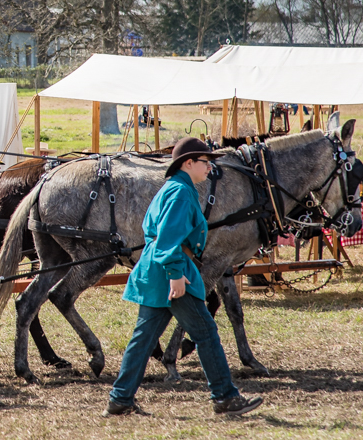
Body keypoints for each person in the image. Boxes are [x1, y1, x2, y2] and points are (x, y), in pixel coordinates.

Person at [105, 137, 263, 418]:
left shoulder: (176, 188)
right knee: (206, 332)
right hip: (171, 272)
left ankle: (120, 400)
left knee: (143, 339)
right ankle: (225, 397)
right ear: (188, 163)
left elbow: (154, 232)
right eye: (206, 162)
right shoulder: (180, 192)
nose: (210, 168)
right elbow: (167, 240)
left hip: (159, 271)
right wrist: (176, 276)